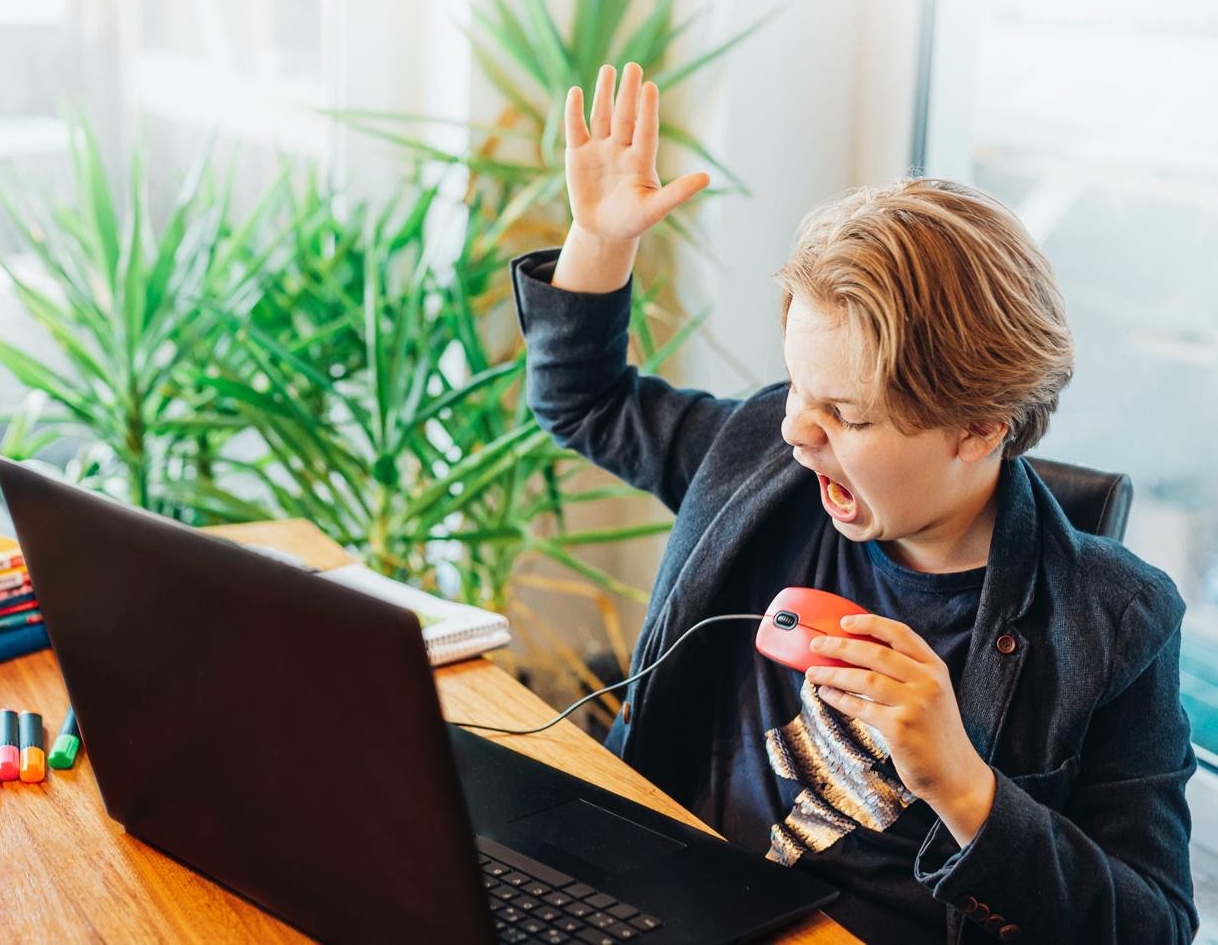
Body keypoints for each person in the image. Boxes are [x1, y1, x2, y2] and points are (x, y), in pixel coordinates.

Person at [510, 62, 1197, 943]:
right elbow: (586, 402)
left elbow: (1155, 928)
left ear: (979, 429)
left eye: (847, 413)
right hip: (665, 895)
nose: (799, 429)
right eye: (798, 383)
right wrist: (601, 239)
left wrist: (963, 784)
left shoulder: (1116, 620)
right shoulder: (764, 456)